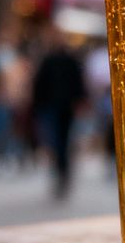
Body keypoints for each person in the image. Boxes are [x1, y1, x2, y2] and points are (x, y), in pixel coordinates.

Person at [30, 28, 86, 200]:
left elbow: (39, 85)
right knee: (60, 141)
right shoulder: (66, 59)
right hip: (61, 106)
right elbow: (78, 83)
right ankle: (62, 171)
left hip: (55, 106)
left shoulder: (51, 60)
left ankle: (61, 171)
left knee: (56, 141)